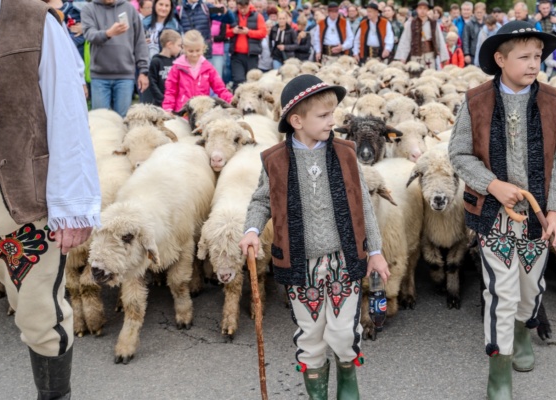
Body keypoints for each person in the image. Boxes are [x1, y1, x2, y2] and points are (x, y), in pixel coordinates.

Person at [239, 74, 388, 399]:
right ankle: (317, 393)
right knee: (311, 336)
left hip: (343, 262)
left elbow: (364, 205)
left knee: (342, 334)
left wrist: (375, 251)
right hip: (301, 265)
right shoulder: (275, 160)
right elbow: (261, 199)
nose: (331, 122)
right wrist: (251, 230)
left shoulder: (346, 153)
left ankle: (348, 383)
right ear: (296, 121)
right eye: (323, 116)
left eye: (332, 114)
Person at [449, 20, 556, 400]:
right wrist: (492, 184)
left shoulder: (553, 101)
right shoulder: (475, 101)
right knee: (499, 293)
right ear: (500, 59)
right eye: (524, 57)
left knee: (529, 290)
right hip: (495, 217)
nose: (534, 64)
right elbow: (458, 154)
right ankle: (499, 372)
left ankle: (523, 331)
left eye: (538, 56)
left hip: (537, 218)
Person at [0, 1, 102, 398]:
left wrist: (73, 204)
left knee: (39, 317)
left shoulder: (31, 19)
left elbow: (66, 107)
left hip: (18, 199)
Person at [82, 0, 150, 118]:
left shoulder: (129, 9)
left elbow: (140, 41)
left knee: (123, 121)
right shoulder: (89, 9)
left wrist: (143, 71)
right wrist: (108, 33)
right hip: (99, 76)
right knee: (100, 121)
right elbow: (89, 34)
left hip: (125, 76)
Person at [162, 30, 233, 112]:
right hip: (183, 112)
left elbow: (220, 89)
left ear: (203, 48)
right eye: (191, 51)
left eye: (198, 50)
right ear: (184, 48)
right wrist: (168, 109)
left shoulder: (208, 68)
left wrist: (232, 101)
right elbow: (170, 91)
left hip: (203, 111)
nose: (194, 54)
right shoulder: (176, 68)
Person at [393, 0, 449, 70]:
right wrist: (402, 57)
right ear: (417, 9)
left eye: (425, 8)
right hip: (415, 56)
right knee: (416, 76)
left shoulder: (434, 24)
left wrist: (443, 57)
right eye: (420, 8)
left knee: (429, 76)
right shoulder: (411, 24)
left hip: (430, 55)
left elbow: (440, 39)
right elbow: (405, 41)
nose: (422, 10)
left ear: (428, 10)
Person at [226, 0, 267, 89]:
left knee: (252, 81)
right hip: (236, 55)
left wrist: (248, 32)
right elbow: (225, 32)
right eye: (240, 8)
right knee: (238, 80)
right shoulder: (232, 16)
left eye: (244, 8)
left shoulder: (258, 16)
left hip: (252, 55)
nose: (242, 10)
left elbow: (263, 33)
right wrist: (233, 31)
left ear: (249, 5)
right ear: (237, 6)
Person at [148, 29, 182, 106]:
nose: (180, 49)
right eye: (179, 45)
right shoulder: (156, 61)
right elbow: (152, 83)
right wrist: (162, 99)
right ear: (169, 44)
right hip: (159, 104)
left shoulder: (176, 62)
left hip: (174, 102)